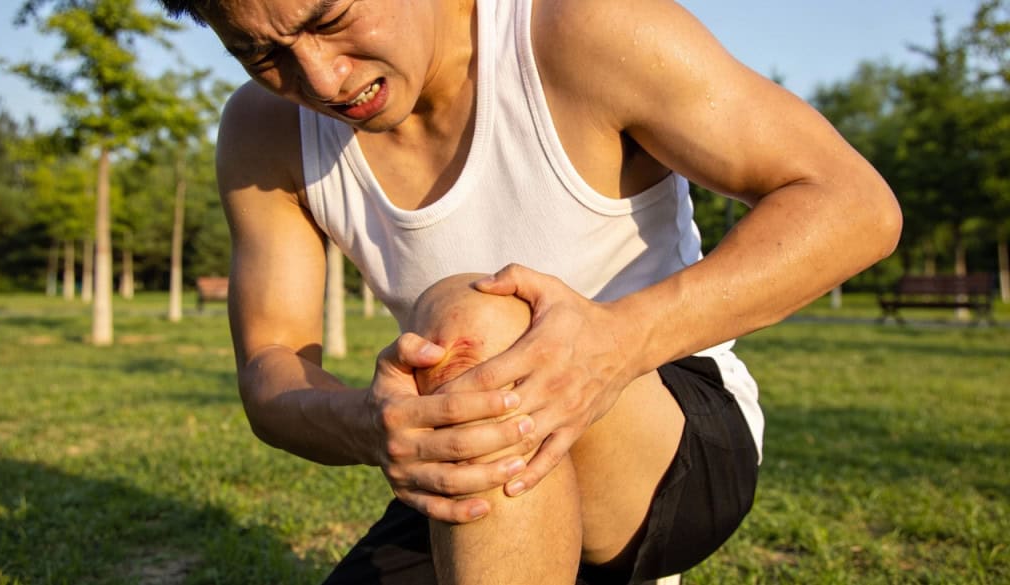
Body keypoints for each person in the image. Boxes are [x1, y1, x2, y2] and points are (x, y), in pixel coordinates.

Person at [157, 0, 903, 583]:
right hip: (482, 455)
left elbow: (854, 204)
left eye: (330, 18)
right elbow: (271, 368)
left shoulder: (582, 31)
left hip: (670, 430)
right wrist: (367, 423)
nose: (321, 79)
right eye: (261, 54)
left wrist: (616, 344)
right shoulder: (264, 129)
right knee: (474, 355)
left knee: (472, 324)